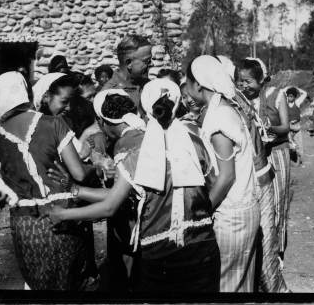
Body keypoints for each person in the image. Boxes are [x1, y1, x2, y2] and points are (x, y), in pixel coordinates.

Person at [47, 81, 221, 292]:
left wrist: (62, 215)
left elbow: (111, 205)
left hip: (162, 251)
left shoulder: (136, 154)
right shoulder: (195, 142)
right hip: (205, 247)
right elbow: (212, 186)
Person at [0, 72, 99, 290]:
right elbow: (78, 174)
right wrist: (95, 166)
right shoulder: (54, 124)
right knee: (71, 283)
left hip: (25, 224)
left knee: (39, 285)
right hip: (61, 216)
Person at [183, 56, 260, 293]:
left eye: (186, 81)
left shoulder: (218, 119)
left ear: (197, 84)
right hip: (243, 210)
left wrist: (201, 216)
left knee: (226, 285)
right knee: (239, 284)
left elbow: (226, 176)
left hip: (232, 216)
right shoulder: (224, 108)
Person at [237, 58, 291, 291]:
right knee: (261, 203)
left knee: (278, 202)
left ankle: (276, 253)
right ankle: (262, 252)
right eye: (240, 81)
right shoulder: (242, 100)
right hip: (257, 157)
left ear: (261, 80)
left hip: (277, 153)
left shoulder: (276, 95)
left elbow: (286, 128)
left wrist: (269, 128)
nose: (243, 85)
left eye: (248, 81)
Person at [101, 34, 154, 110]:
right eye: (147, 61)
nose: (152, 64)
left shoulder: (147, 84)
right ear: (129, 63)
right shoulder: (109, 94)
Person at [283, 87, 307, 169]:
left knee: (298, 144)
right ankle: (289, 160)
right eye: (289, 96)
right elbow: (281, 92)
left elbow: (305, 94)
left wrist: (297, 88)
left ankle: (298, 160)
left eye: (292, 96)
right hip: (288, 127)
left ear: (295, 97)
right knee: (289, 144)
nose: (290, 98)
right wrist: (288, 88)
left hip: (296, 126)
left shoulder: (297, 102)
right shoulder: (284, 103)